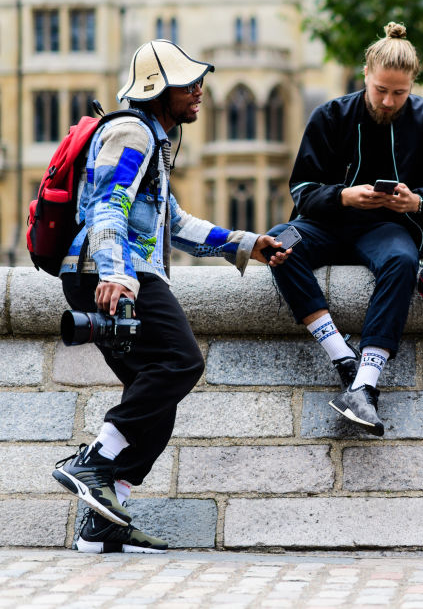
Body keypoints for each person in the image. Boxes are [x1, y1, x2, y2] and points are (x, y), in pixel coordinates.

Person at [52, 39, 290, 553]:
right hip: (115, 270)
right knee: (181, 363)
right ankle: (94, 460)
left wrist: (248, 243)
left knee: (156, 398)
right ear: (159, 91)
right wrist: (117, 275)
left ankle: (102, 522)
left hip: (113, 270)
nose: (200, 91)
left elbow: (175, 225)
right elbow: (107, 207)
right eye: (190, 84)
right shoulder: (131, 132)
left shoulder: (153, 142)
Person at [267, 22, 423, 437]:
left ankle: (365, 384)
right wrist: (343, 197)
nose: (389, 102)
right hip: (325, 224)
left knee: (402, 261)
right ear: (365, 75)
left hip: (389, 228)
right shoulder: (330, 115)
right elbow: (301, 188)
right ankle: (344, 358)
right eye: (381, 91)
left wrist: (417, 202)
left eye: (400, 93)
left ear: (412, 84)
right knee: (277, 243)